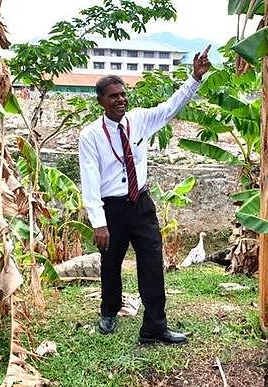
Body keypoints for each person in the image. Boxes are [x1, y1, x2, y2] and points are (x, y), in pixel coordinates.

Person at [78, 46, 211, 345]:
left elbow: (170, 108)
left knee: (151, 262)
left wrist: (195, 78)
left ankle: (154, 328)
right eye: (113, 96)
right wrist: (98, 222)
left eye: (123, 94)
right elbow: (90, 179)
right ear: (101, 101)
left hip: (142, 204)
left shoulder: (139, 120)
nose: (121, 100)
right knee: (110, 264)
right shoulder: (90, 136)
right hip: (112, 209)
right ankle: (109, 311)